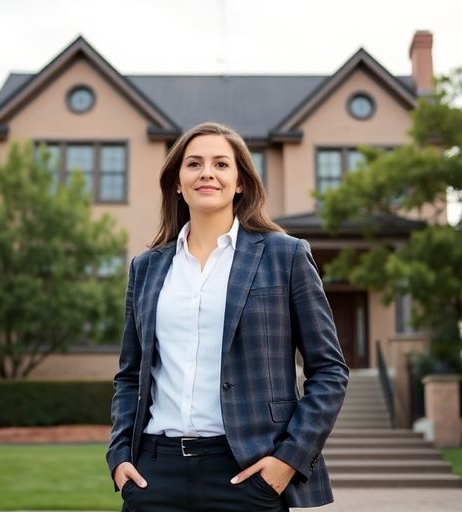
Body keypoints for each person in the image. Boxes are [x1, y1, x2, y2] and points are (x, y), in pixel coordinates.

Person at [106, 122, 348, 511]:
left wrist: (287, 460)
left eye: (221, 164)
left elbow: (330, 370)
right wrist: (119, 456)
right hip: (154, 474)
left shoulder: (284, 256)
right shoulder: (146, 267)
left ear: (239, 183)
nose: (207, 173)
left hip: (247, 473)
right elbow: (130, 373)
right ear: (178, 183)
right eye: (194, 164)